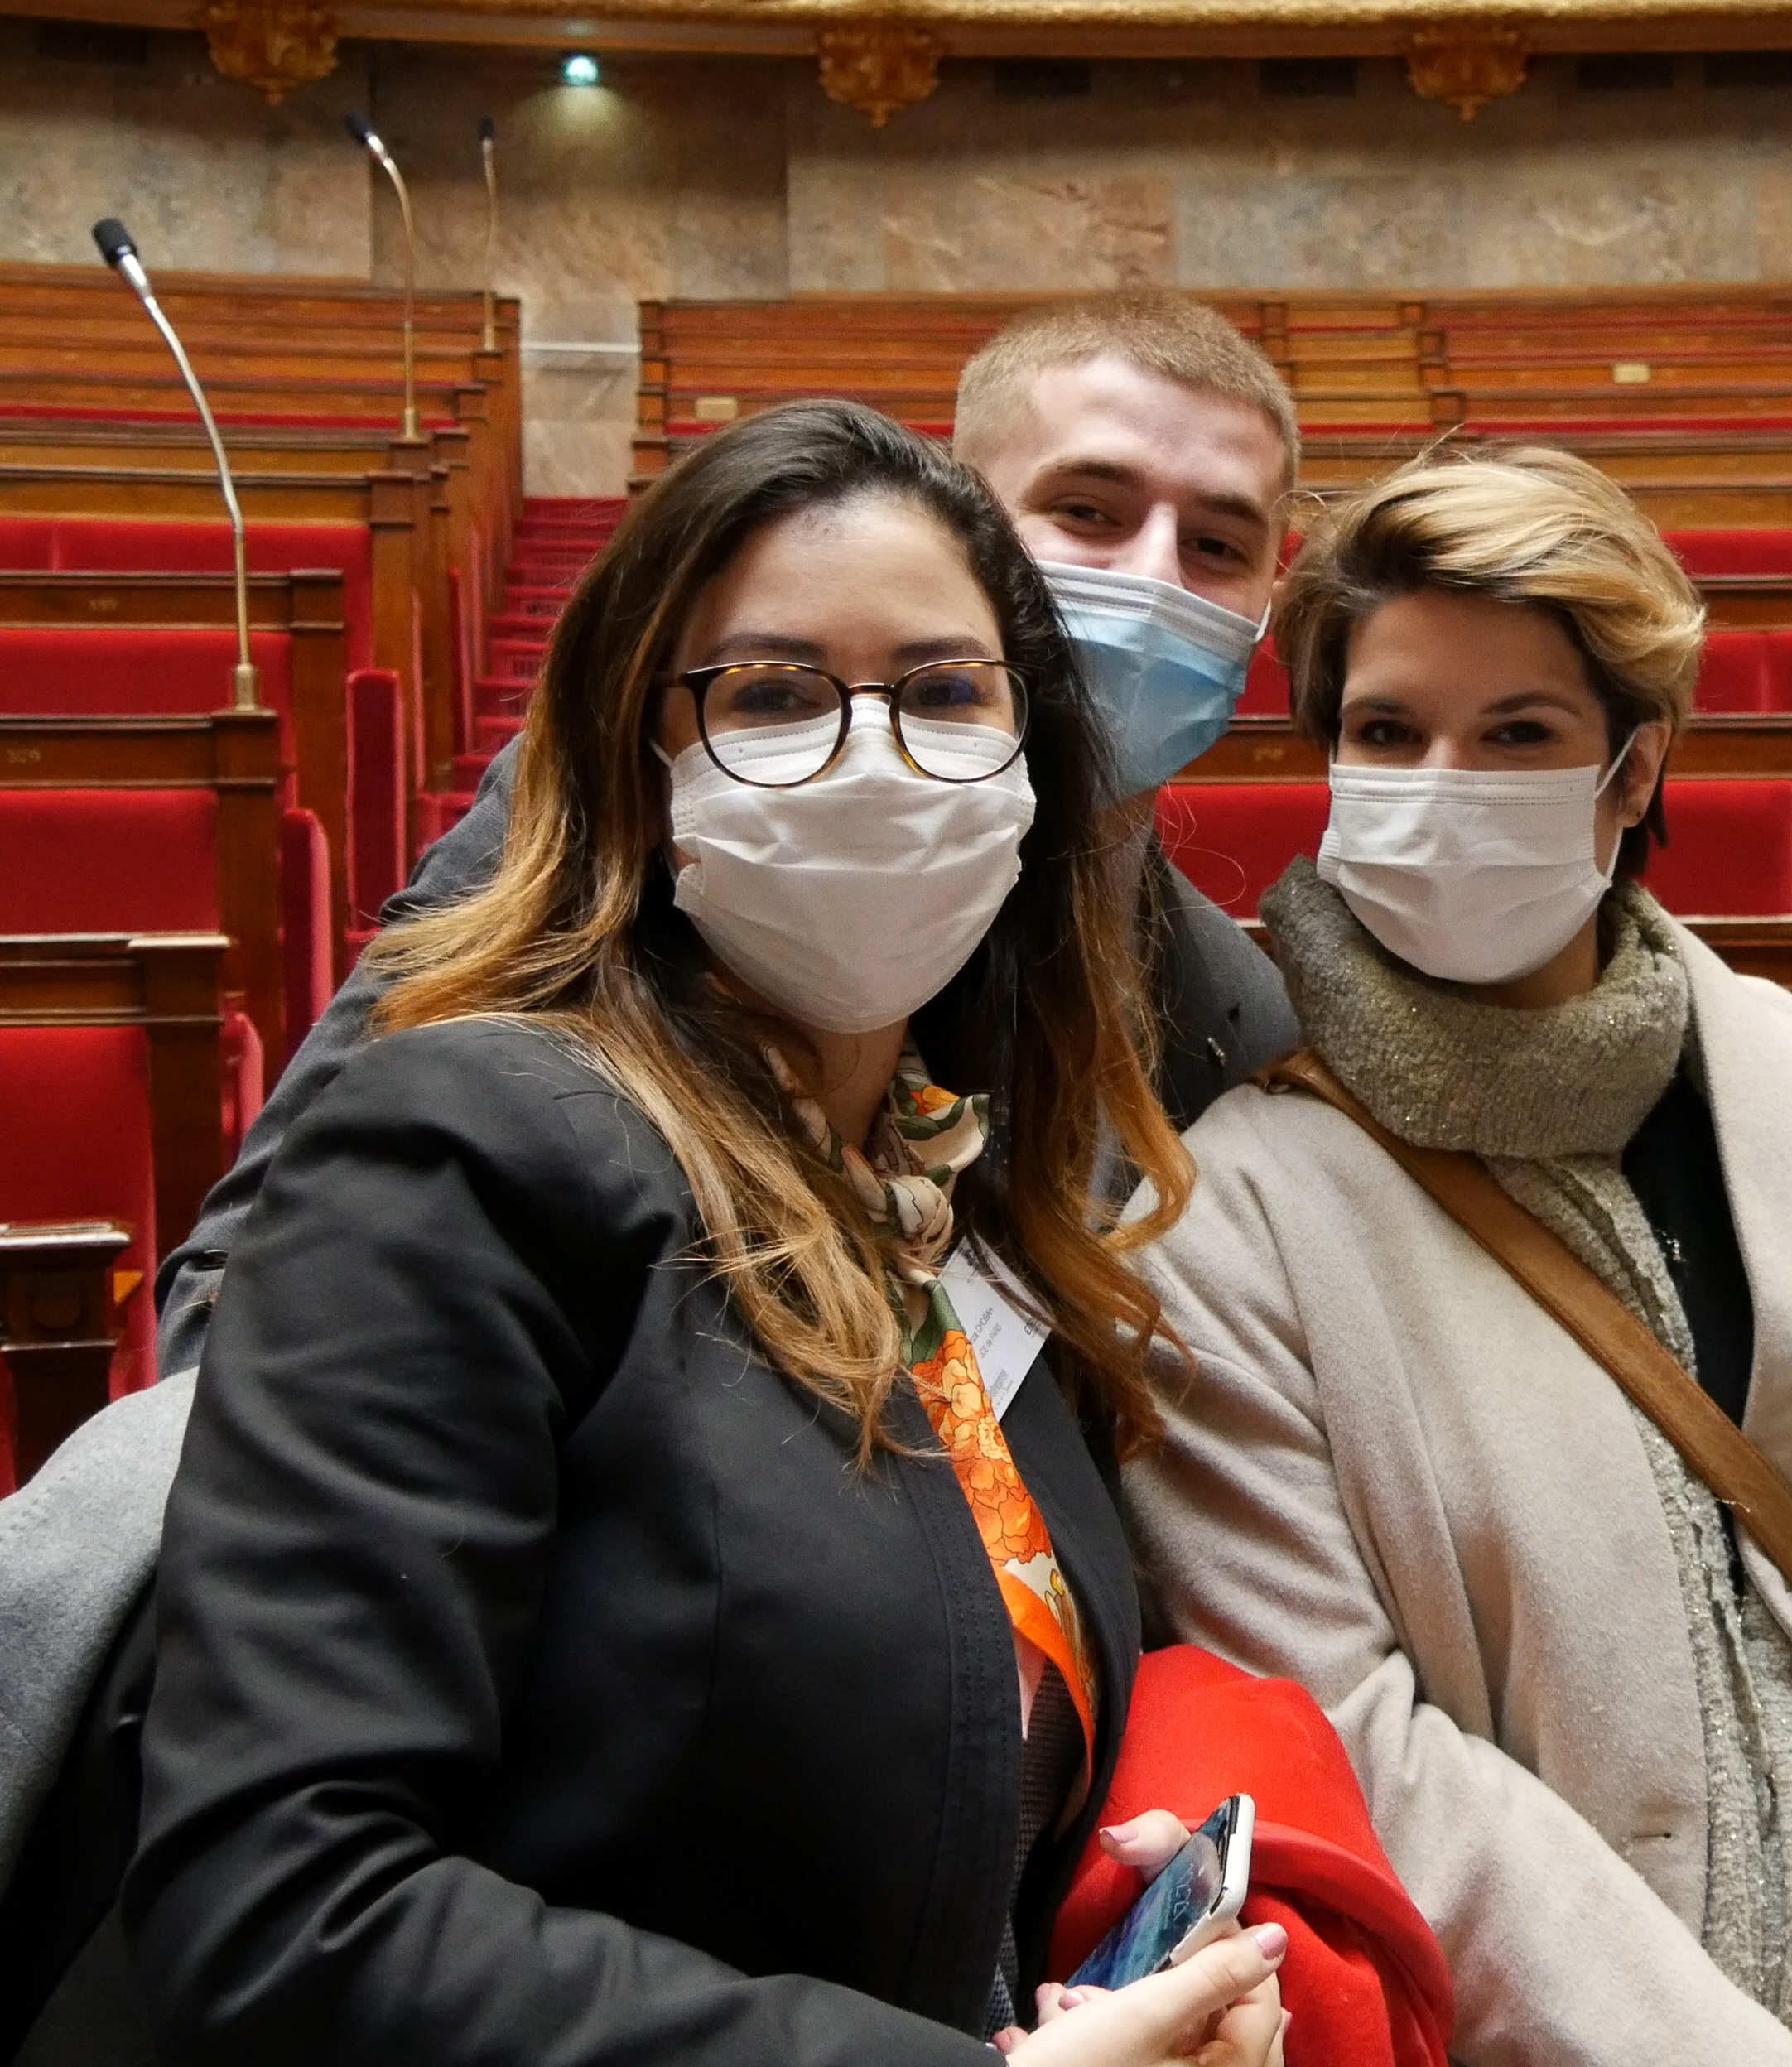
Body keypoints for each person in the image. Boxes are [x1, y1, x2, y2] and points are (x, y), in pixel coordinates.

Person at [0, 295, 1308, 2043]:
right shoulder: (480, 1125)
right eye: (774, 695)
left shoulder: (992, 1145)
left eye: (936, 696)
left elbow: (931, 1633)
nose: (867, 757)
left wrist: (1045, 1880)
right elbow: (297, 1886)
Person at [1118, 447, 1792, 2067]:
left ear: (1632, 768)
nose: (1444, 778)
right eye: (1387, 734)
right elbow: (1354, 1737)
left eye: (1518, 733)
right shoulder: (1225, 1212)